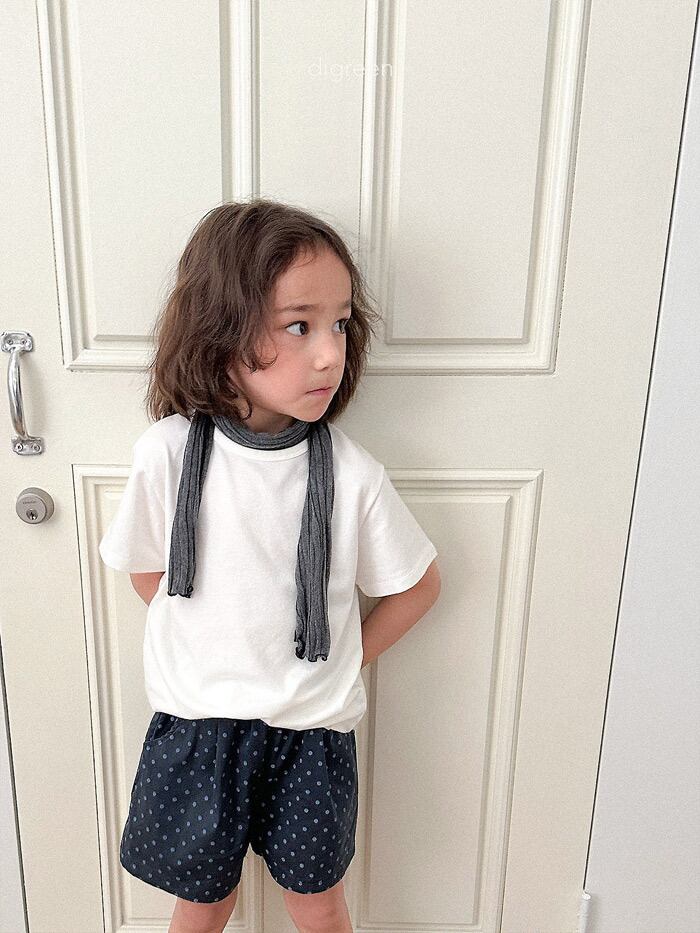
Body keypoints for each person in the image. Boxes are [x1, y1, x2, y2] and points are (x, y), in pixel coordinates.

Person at [99, 198, 441, 933]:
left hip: (311, 733)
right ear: (221, 329)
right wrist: (213, 637)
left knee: (317, 902)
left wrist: (344, 657)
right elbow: (146, 570)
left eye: (340, 324)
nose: (329, 354)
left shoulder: (350, 472)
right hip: (200, 726)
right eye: (298, 325)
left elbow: (418, 586)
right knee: (202, 899)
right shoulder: (168, 453)